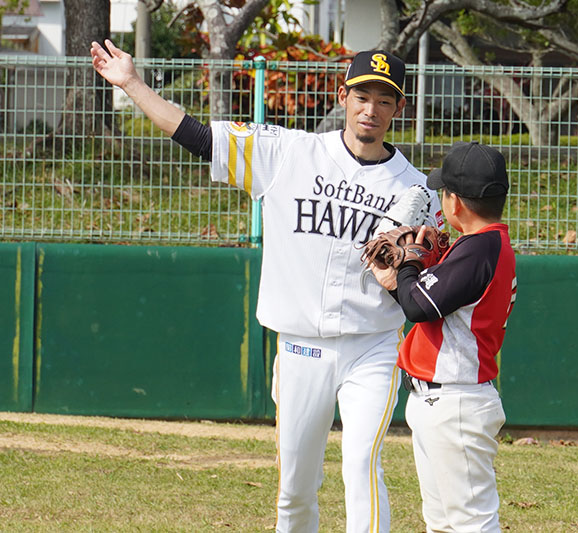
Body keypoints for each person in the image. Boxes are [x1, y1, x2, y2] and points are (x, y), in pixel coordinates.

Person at [90, 40, 443, 533]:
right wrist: (131, 84)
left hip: (374, 347)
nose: (372, 109)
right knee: (295, 489)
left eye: (385, 99)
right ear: (344, 96)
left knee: (363, 463)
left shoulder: (417, 191)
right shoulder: (289, 153)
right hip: (301, 346)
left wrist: (414, 263)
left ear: (399, 107)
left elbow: (440, 262)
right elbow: (195, 135)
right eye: (363, 95)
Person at [370, 141, 517, 532]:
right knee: (442, 522)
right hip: (443, 400)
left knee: (471, 524)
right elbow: (426, 304)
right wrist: (398, 281)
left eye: (444, 192)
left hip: (456, 401)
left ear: (455, 204)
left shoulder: (480, 248)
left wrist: (411, 261)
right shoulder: (484, 247)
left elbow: (418, 306)